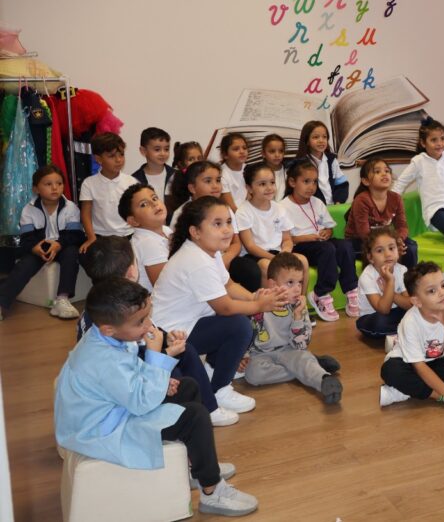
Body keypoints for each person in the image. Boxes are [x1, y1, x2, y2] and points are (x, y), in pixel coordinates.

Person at [55, 278, 261, 516]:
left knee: (188, 387)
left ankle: (195, 465)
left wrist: (161, 378)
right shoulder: (104, 360)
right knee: (195, 417)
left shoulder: (108, 337)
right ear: (109, 329)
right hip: (102, 430)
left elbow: (130, 374)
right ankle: (212, 491)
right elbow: (141, 403)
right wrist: (155, 359)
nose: (148, 325)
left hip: (114, 409)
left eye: (147, 316)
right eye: (140, 322)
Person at [151, 196, 290, 416]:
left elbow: (229, 285)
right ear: (195, 232)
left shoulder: (209, 252)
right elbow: (225, 308)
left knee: (242, 317)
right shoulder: (196, 260)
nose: (226, 230)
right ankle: (219, 389)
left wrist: (254, 297)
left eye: (228, 222)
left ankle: (213, 372)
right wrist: (259, 305)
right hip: (169, 335)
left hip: (187, 325)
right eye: (217, 224)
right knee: (239, 325)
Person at [79, 235, 235, 427]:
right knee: (174, 370)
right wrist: (164, 353)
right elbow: (125, 363)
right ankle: (182, 419)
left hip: (131, 362)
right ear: (131, 271)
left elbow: (143, 332)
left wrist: (166, 338)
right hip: (124, 382)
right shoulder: (118, 311)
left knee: (186, 350)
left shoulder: (104, 302)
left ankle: (209, 407)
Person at [244, 253, 342, 404]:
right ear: (273, 285)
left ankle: (322, 378)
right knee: (253, 375)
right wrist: (243, 355)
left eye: (300, 283)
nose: (297, 289)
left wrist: (297, 316)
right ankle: (310, 367)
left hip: (290, 350)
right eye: (290, 282)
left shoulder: (300, 307)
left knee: (300, 357)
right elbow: (242, 330)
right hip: (260, 354)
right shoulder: (257, 300)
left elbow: (300, 346)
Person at [379, 262, 444, 408]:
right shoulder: (410, 321)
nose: (442, 293)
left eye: (443, 285)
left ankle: (401, 392)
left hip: (435, 362)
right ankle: (435, 395)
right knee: (391, 370)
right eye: (432, 291)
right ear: (417, 301)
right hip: (409, 363)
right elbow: (419, 366)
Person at [167, 161, 263, 295]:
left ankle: (250, 304)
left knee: (250, 270)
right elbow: (178, 245)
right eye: (208, 181)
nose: (215, 185)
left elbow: (236, 243)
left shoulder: (225, 208)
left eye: (218, 180)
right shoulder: (182, 213)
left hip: (223, 258)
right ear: (192, 188)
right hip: (198, 264)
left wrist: (227, 258)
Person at [0, 165, 83, 320]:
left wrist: (59, 244)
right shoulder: (28, 209)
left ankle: (62, 299)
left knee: (71, 254)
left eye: (59, 183)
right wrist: (34, 248)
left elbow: (76, 235)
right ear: (36, 189)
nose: (55, 188)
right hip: (39, 247)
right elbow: (26, 238)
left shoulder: (71, 208)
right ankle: (2, 302)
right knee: (24, 266)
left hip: (63, 246)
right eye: (48, 184)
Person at [281, 161, 358, 321]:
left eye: (315, 182)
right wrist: (309, 237)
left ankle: (351, 290)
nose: (311, 186)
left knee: (345, 245)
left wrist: (327, 232)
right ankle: (320, 293)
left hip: (321, 242)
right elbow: (286, 239)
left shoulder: (317, 202)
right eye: (306, 181)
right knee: (327, 249)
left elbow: (329, 227)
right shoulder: (282, 207)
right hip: (300, 245)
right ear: (292, 182)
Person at [235, 163, 305, 288]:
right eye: (262, 184)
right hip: (255, 255)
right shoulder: (243, 212)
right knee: (267, 266)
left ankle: (300, 298)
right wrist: (275, 258)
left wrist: (285, 252)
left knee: (302, 261)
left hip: (277, 252)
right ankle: (270, 300)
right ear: (249, 188)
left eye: (272, 182)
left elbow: (287, 239)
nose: (269, 188)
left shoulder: (280, 209)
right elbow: (250, 246)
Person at [344, 156, 417, 269]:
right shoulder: (362, 200)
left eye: (387, 171)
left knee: (410, 247)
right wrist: (389, 246)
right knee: (375, 250)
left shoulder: (396, 198)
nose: (384, 174)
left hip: (384, 238)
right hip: (360, 241)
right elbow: (364, 233)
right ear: (366, 181)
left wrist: (398, 240)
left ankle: (409, 278)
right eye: (377, 172)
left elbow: (402, 226)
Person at [79, 132, 136, 252]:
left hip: (127, 235)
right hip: (100, 236)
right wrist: (91, 237)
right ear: (98, 159)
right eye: (112, 156)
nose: (118, 160)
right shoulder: (89, 183)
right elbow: (86, 214)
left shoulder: (131, 182)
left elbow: (137, 210)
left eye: (121, 154)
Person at [355, 226, 411, 346]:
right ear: (370, 257)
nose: (387, 254)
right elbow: (383, 310)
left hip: (396, 313)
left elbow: (409, 304)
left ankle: (400, 333)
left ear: (398, 251)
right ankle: (405, 331)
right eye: (380, 250)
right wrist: (390, 282)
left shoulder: (402, 270)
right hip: (373, 317)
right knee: (379, 322)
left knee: (417, 309)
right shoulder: (367, 276)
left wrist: (391, 292)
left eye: (391, 248)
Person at [120, 183, 172, 292]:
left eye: (154, 198)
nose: (154, 203)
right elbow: (165, 289)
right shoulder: (147, 243)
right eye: (143, 204)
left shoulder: (166, 230)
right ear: (133, 221)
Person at [291, 120, 349, 205]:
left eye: (324, 137)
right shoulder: (300, 163)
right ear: (307, 141)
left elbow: (342, 184)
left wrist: (338, 201)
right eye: (316, 137)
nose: (321, 140)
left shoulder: (332, 160)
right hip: (312, 208)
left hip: (333, 207)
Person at [131, 127, 173, 202]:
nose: (163, 153)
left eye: (166, 149)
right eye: (157, 149)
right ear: (143, 151)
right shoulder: (134, 180)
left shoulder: (176, 176)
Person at [166, 141, 204, 221]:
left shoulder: (207, 175)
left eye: (199, 158)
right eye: (191, 159)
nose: (196, 162)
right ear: (181, 163)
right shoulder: (176, 179)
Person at [218, 133, 248, 212]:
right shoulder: (221, 174)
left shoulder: (249, 169)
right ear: (225, 155)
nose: (242, 151)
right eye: (236, 149)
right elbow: (231, 207)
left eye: (244, 148)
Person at [259, 134, 288, 201]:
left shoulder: (289, 171)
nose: (277, 155)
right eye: (272, 151)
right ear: (263, 153)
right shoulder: (258, 173)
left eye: (281, 151)